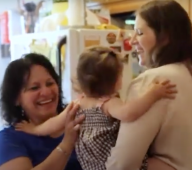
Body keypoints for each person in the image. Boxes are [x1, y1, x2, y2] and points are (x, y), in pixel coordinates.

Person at [106, 1, 192, 170]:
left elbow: (122, 164)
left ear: (164, 37)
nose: (132, 40)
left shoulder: (154, 80)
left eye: (139, 32)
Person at [15, 46, 177, 170]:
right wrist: (154, 94)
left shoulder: (77, 104)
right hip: (110, 162)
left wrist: (34, 130)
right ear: (117, 81)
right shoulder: (107, 103)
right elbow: (130, 113)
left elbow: (53, 123)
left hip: (91, 166)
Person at [0, 53, 84, 170]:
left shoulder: (78, 115)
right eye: (34, 88)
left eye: (50, 83)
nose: (46, 92)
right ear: (16, 99)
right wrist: (67, 144)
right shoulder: (9, 139)